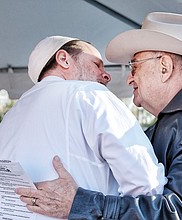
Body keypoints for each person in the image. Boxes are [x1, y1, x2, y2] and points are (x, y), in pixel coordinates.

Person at [15, 12, 182, 219]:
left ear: (165, 67)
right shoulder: (158, 128)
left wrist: (80, 203)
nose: (128, 78)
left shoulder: (13, 116)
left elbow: (174, 211)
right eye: (96, 64)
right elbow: (149, 190)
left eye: (134, 66)